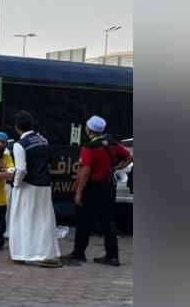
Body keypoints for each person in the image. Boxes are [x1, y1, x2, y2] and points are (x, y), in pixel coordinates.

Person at [67, 115, 132, 266]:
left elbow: (86, 170)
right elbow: (129, 157)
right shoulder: (112, 143)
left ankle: (79, 253)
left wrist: (79, 192)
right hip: (108, 186)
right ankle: (112, 256)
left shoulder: (89, 147)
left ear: (89, 129)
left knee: (83, 221)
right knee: (108, 222)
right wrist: (116, 168)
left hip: (91, 187)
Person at [8, 112, 63, 267]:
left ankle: (20, 253)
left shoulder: (20, 144)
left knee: (21, 220)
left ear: (17, 127)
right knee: (44, 220)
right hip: (44, 186)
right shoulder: (43, 140)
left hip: (27, 187)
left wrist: (16, 184)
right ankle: (46, 254)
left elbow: (21, 170)